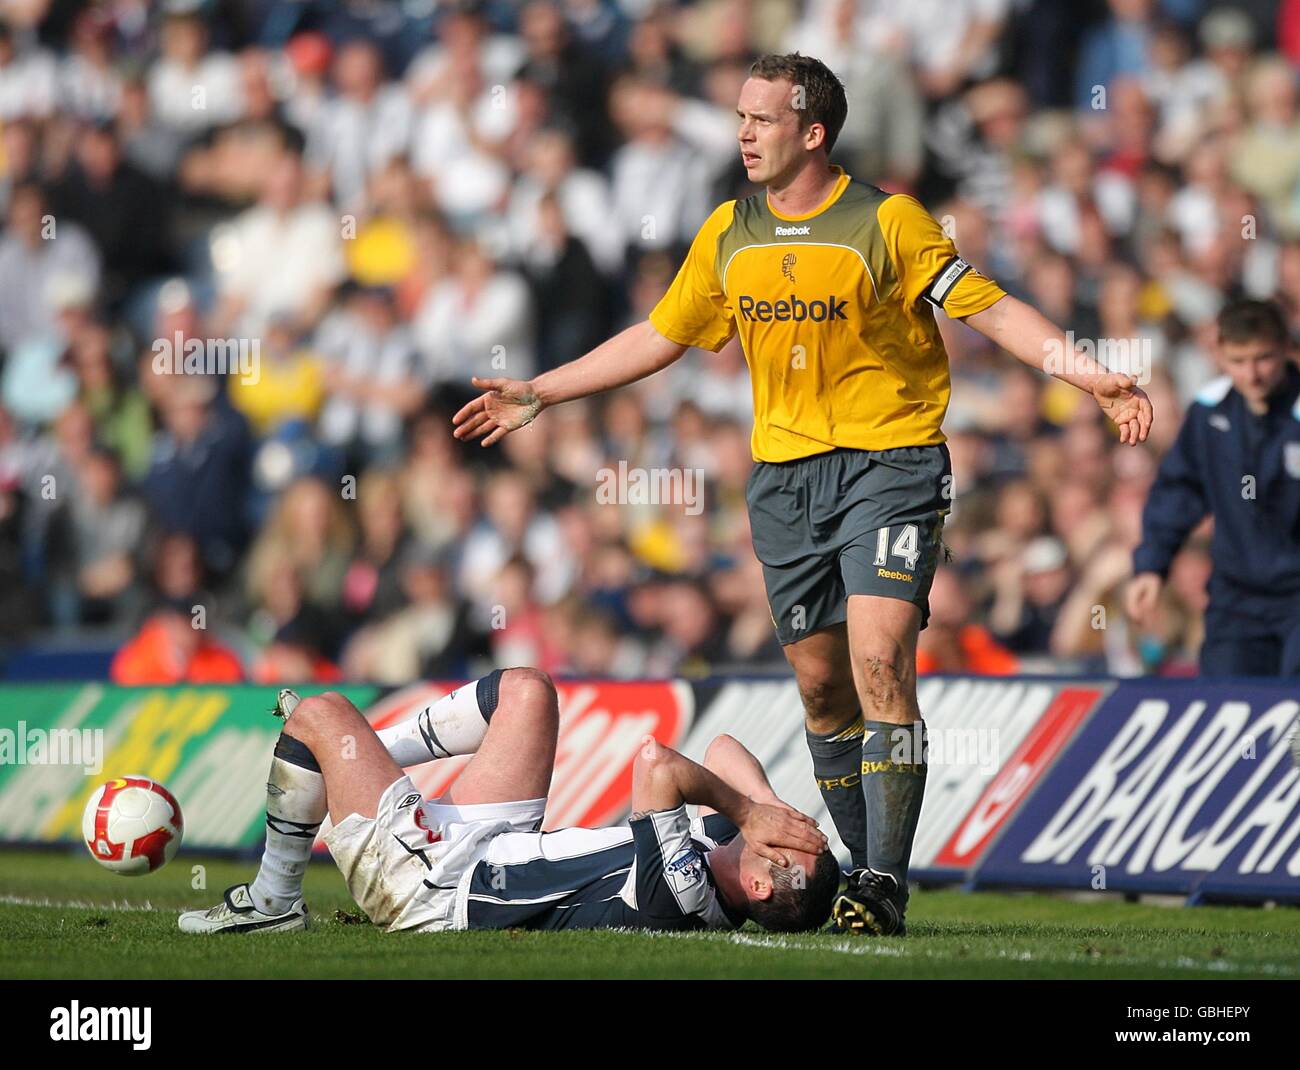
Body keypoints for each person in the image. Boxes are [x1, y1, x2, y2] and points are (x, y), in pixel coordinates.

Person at [450, 53, 1152, 935]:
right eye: (740, 116)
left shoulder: (887, 221)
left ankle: (883, 886)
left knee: (879, 660)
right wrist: (543, 391)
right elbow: (661, 336)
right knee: (823, 691)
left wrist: (1095, 377)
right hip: (784, 484)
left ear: (812, 131)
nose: (743, 132)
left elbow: (991, 308)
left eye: (762, 119)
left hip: (890, 464)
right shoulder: (727, 232)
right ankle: (854, 868)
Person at [179, 669, 836, 935]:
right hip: (490, 845)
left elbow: (656, 763)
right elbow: (722, 748)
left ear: (755, 881)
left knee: (320, 712)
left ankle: (271, 903)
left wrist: (754, 815)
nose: (775, 830)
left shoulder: (689, 893)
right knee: (527, 691)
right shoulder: (729, 860)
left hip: (438, 886)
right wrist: (771, 806)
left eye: (783, 850)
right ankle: (357, 756)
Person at [1127, 299, 1300, 676]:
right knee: (1229, 701)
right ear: (1219, 354)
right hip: (1236, 601)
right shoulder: (1209, 414)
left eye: (1263, 358)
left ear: (1286, 348)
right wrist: (1151, 566)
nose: (1252, 374)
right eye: (1238, 361)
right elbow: (1179, 491)